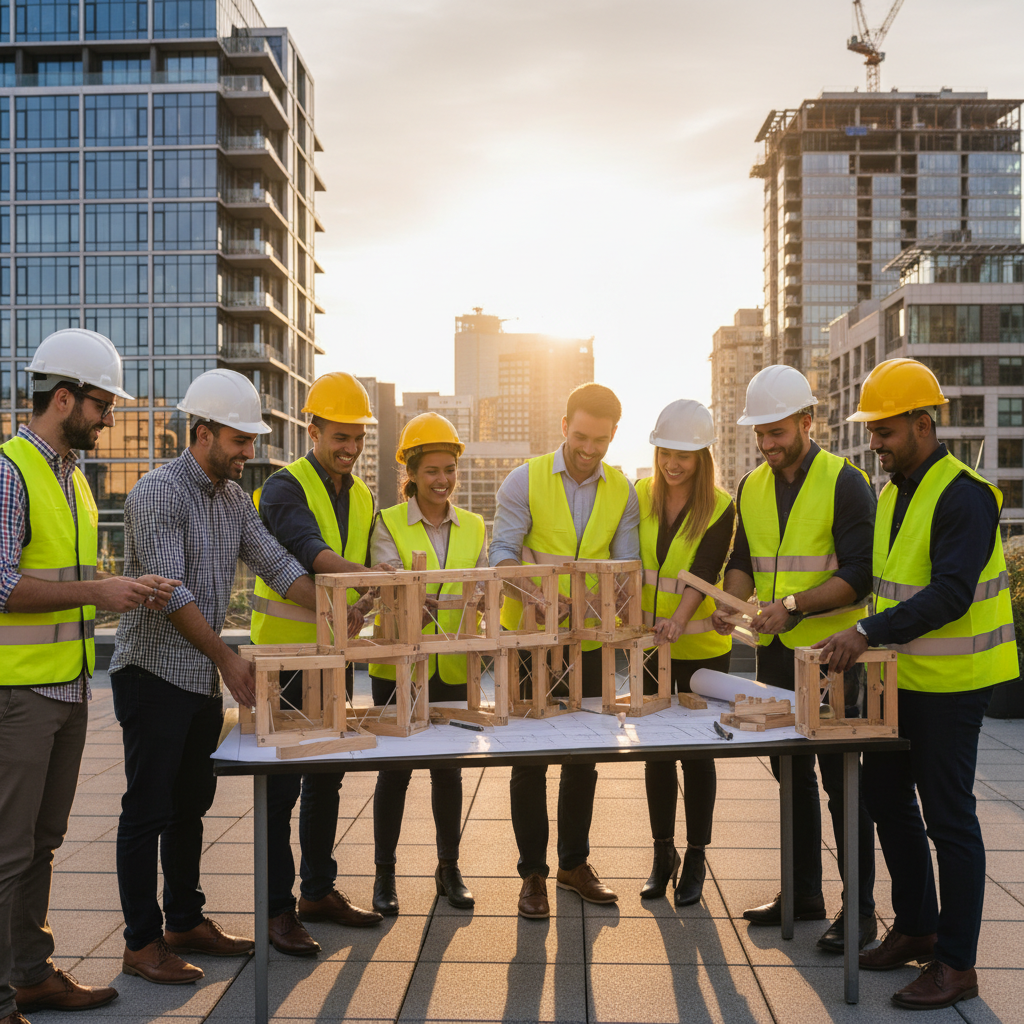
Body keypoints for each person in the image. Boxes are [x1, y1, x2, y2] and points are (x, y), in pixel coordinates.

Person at [816, 358, 1016, 1010]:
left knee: (949, 819)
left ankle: (956, 965)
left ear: (923, 425)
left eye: (886, 431)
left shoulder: (964, 495)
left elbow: (953, 594)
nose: (874, 443)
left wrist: (867, 635)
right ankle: (916, 925)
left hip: (954, 683)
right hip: (902, 679)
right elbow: (889, 582)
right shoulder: (895, 490)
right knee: (882, 793)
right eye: (872, 431)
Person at [111, 369, 320, 985]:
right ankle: (141, 942)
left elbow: (277, 563)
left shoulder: (231, 499)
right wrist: (228, 658)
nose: (249, 452)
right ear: (201, 434)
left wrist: (335, 607)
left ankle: (183, 921)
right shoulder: (156, 494)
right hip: (152, 677)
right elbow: (171, 594)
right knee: (146, 810)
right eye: (239, 439)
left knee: (190, 807)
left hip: (195, 680)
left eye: (252, 441)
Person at [0, 330, 179, 1022]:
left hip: (66, 687)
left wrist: (123, 587)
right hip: (19, 693)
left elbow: (68, 578)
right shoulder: (11, 471)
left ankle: (31, 975)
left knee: (40, 845)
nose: (109, 417)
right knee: (10, 852)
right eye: (102, 404)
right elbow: (5, 585)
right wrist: (96, 594)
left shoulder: (71, 475)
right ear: (65, 397)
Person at [711, 364, 878, 952]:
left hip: (834, 658)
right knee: (789, 774)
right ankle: (804, 892)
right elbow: (744, 559)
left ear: (808, 421)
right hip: (778, 658)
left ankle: (859, 912)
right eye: (760, 433)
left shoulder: (845, 482)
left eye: (777, 431)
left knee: (841, 780)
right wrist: (729, 603)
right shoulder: (752, 485)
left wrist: (792, 606)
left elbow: (860, 576)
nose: (767, 443)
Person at [490, 382, 640, 919]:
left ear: (613, 435)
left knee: (585, 757)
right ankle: (532, 873)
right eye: (581, 436)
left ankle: (574, 865)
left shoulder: (623, 488)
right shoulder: (523, 480)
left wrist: (619, 606)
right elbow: (502, 558)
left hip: (590, 641)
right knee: (529, 759)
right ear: (563, 426)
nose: (589, 449)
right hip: (529, 640)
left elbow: (625, 569)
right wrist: (542, 600)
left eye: (600, 440)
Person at [252, 373, 385, 956]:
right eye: (340, 436)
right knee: (280, 791)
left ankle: (318, 891)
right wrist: (364, 579)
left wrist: (385, 591)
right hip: (282, 661)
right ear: (313, 430)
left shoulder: (362, 496)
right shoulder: (284, 487)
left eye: (357, 438)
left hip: (332, 659)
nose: (350, 448)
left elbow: (362, 570)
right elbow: (308, 550)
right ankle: (278, 910)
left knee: (327, 780)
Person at [368, 413, 486, 915]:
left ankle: (449, 869)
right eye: (432, 470)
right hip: (397, 666)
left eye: (450, 470)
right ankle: (384, 875)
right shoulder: (388, 523)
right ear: (411, 473)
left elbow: (480, 587)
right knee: (394, 773)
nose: (442, 480)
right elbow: (386, 586)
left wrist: (474, 599)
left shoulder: (476, 526)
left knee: (449, 772)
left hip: (452, 668)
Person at [636, 400, 735, 906]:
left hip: (700, 648)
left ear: (703, 457)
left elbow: (706, 565)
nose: (673, 463)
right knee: (656, 754)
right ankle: (662, 853)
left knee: (697, 756)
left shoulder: (720, 506)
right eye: (666, 452)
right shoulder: (640, 495)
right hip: (655, 646)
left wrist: (679, 618)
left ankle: (695, 855)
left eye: (686, 455)